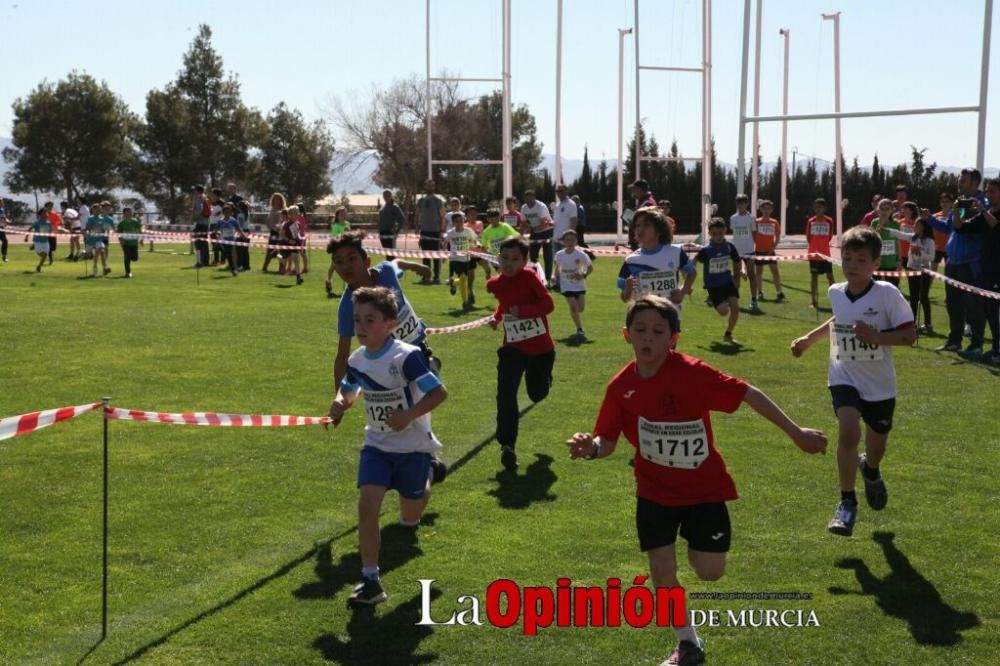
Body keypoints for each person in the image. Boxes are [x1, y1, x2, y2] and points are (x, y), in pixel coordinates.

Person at [567, 295, 826, 666]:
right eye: (640, 330)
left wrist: (796, 432)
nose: (648, 338)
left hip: (704, 490)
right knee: (661, 568)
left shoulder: (692, 372)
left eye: (658, 331)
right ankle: (687, 644)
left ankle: (695, 547)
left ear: (674, 338)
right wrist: (589, 447)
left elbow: (747, 393)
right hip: (653, 490)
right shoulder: (620, 386)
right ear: (626, 335)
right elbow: (607, 440)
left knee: (709, 571)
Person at [327, 286, 448, 607]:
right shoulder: (357, 359)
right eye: (357, 320)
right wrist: (339, 404)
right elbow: (348, 391)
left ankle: (428, 476)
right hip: (377, 445)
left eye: (370, 320)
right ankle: (370, 580)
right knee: (367, 506)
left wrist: (408, 415)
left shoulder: (406, 357)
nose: (362, 327)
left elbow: (439, 394)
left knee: (410, 515)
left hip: (412, 447)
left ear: (390, 324)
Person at [791, 226, 914, 537]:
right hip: (843, 374)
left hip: (879, 384)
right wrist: (809, 339)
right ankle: (847, 503)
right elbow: (838, 320)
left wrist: (876, 337)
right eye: (847, 258)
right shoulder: (836, 292)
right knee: (848, 432)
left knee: (876, 445)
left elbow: (910, 335)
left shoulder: (887, 293)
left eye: (861, 259)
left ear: (875, 263)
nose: (853, 265)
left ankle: (870, 470)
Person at [327, 231, 436, 390]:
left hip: (420, 355)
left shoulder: (385, 271)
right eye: (339, 262)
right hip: (390, 371)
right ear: (335, 269)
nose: (346, 266)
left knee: (428, 401)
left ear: (367, 262)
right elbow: (342, 356)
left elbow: (396, 264)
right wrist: (338, 399)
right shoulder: (347, 306)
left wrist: (415, 266)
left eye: (352, 258)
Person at [487, 237, 555, 471]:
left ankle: (544, 382)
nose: (509, 264)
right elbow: (505, 303)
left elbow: (548, 304)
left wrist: (524, 311)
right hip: (512, 347)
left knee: (537, 394)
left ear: (525, 261)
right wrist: (496, 319)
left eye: (515, 259)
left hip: (540, 348)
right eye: (504, 258)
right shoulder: (497, 283)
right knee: (505, 393)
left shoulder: (529, 278)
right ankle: (507, 445)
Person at [931, 168, 987, 355]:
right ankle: (954, 340)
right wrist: (929, 219)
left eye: (963, 180)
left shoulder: (981, 204)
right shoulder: (960, 203)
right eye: (960, 179)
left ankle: (976, 344)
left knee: (973, 305)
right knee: (952, 303)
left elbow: (975, 229)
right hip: (953, 262)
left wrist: (971, 213)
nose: (959, 183)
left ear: (974, 182)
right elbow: (949, 227)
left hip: (971, 262)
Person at [618, 207, 696, 323]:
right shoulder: (631, 260)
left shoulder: (674, 252)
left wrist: (682, 292)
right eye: (638, 225)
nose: (640, 229)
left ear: (659, 231)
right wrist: (628, 289)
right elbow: (624, 298)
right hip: (643, 319)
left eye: (646, 225)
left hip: (670, 315)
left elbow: (692, 273)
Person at [953, 178, 1000, 363]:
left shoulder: (988, 215)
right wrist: (957, 210)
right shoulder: (985, 214)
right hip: (987, 270)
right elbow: (960, 227)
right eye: (987, 191)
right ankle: (995, 349)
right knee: (990, 312)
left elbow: (997, 227)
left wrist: (983, 212)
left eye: (993, 191)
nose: (988, 195)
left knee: (997, 314)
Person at [884, 210, 935, 333]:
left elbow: (931, 257)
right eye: (915, 225)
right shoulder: (913, 237)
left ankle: (928, 324)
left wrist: (920, 252)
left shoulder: (929, 241)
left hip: (924, 272)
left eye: (917, 225)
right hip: (912, 270)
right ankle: (912, 323)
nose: (914, 226)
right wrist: (886, 230)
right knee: (913, 297)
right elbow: (900, 234)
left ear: (923, 227)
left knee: (923, 297)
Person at [695, 218, 743, 342]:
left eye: (720, 234)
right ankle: (713, 300)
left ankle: (728, 333)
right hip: (713, 285)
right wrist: (689, 273)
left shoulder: (729, 247)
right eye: (715, 234)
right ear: (710, 233)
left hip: (728, 281)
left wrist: (741, 272)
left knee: (735, 308)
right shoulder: (706, 250)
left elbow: (737, 261)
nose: (718, 237)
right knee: (724, 311)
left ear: (725, 231)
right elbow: (694, 260)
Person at [552, 229, 593, 341]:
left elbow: (590, 268)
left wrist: (583, 275)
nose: (570, 242)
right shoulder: (559, 255)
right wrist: (554, 276)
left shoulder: (581, 254)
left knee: (581, 309)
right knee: (574, 307)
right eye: (567, 240)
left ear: (576, 241)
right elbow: (557, 268)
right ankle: (579, 329)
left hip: (579, 285)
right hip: (566, 285)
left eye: (572, 240)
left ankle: (577, 320)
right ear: (563, 242)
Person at [728, 194, 760, 312]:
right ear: (736, 204)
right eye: (738, 203)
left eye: (743, 203)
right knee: (735, 277)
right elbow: (734, 233)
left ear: (747, 204)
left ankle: (754, 300)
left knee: (752, 275)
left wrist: (754, 247)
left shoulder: (751, 218)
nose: (741, 205)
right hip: (736, 251)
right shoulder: (733, 218)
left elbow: (754, 234)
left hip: (749, 251)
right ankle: (734, 300)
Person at [445, 210, 479, 310]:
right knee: (463, 278)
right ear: (453, 223)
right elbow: (445, 243)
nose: (460, 223)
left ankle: (453, 283)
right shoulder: (450, 233)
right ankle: (465, 301)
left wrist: (477, 245)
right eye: (457, 221)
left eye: (461, 221)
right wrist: (443, 256)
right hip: (455, 260)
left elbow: (474, 240)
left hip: (467, 259)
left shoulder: (468, 231)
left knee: (463, 280)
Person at [753, 199, 786, 301]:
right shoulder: (757, 221)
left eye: (768, 208)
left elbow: (777, 237)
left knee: (775, 272)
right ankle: (760, 292)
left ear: (771, 210)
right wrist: (757, 245)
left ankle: (779, 292)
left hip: (770, 251)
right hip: (759, 251)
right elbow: (753, 235)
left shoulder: (774, 222)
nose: (766, 210)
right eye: (764, 208)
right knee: (759, 272)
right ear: (761, 209)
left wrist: (772, 248)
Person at [805, 198, 835, 309]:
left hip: (826, 254)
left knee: (830, 277)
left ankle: (835, 299)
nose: (818, 209)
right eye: (816, 207)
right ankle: (813, 301)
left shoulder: (829, 221)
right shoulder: (810, 221)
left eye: (820, 207)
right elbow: (808, 237)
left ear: (825, 208)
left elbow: (830, 236)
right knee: (814, 277)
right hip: (814, 254)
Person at [520, 190, 553, 286]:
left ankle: (548, 280)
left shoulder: (541, 206)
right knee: (533, 257)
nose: (528, 200)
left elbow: (543, 224)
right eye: (526, 198)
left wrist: (531, 229)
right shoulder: (524, 208)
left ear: (534, 198)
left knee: (548, 257)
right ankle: (534, 278)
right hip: (534, 233)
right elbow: (523, 223)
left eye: (531, 198)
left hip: (547, 231)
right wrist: (520, 236)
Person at [415, 179, 446, 284]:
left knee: (436, 256)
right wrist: (416, 228)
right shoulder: (420, 200)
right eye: (427, 185)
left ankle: (436, 277)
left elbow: (442, 216)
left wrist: (442, 230)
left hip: (435, 232)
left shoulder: (438, 200)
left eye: (431, 185)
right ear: (425, 187)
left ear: (434, 187)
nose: (429, 187)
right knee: (425, 255)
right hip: (424, 232)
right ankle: (426, 276)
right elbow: (418, 214)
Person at [871, 198, 901, 288]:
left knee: (892, 287)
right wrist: (879, 228)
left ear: (892, 210)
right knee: (876, 287)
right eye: (882, 209)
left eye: (887, 209)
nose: (884, 211)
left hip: (891, 261)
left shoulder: (895, 224)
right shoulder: (874, 222)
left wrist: (899, 260)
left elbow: (897, 243)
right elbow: (871, 239)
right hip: (877, 260)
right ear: (878, 210)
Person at [325, 208, 353, 298]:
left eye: (345, 214)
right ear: (337, 216)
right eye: (342, 215)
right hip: (337, 250)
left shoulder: (348, 224)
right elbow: (335, 238)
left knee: (346, 268)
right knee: (333, 268)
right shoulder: (335, 226)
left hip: (347, 250)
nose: (344, 216)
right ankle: (328, 281)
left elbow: (350, 235)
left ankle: (346, 289)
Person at [628, 179, 658, 249]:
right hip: (641, 241)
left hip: (644, 243)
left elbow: (647, 224)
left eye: (634, 189)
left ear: (640, 189)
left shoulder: (648, 203)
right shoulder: (642, 201)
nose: (633, 192)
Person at [217, 203, 246, 276]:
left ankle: (233, 270)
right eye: (226, 212)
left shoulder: (234, 221)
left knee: (230, 254)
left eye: (229, 212)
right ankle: (229, 265)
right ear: (223, 213)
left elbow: (238, 229)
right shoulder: (220, 221)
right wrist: (218, 234)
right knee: (227, 253)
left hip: (231, 240)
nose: (228, 214)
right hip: (223, 240)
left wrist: (243, 235)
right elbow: (216, 230)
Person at [84, 204, 112, 277]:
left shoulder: (102, 219)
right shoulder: (90, 218)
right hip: (90, 240)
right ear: (93, 210)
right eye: (96, 209)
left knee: (102, 251)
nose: (98, 211)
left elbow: (105, 229)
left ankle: (105, 267)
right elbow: (88, 228)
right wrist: (90, 230)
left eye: (99, 209)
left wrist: (105, 232)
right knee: (92, 255)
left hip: (99, 239)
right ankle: (95, 267)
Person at [262, 192, 286, 273]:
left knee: (279, 251)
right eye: (275, 199)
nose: (276, 201)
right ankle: (264, 267)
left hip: (279, 233)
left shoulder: (283, 210)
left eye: (278, 199)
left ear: (281, 200)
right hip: (272, 232)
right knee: (269, 250)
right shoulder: (272, 209)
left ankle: (281, 268)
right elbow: (269, 221)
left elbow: (283, 221)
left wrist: (279, 227)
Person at [377, 189, 405, 260]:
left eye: (388, 195)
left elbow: (402, 219)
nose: (386, 197)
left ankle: (394, 270)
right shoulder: (383, 207)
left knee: (391, 255)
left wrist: (396, 231)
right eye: (385, 195)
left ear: (391, 196)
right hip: (382, 233)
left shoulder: (395, 207)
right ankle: (389, 269)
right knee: (387, 254)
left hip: (390, 234)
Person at [551, 185, 578, 257]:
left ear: (566, 191)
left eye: (561, 191)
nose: (559, 193)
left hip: (566, 241)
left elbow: (574, 221)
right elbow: (557, 221)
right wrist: (551, 223)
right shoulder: (558, 205)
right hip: (556, 239)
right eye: (557, 191)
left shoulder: (571, 204)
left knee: (567, 263)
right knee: (556, 263)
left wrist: (569, 239)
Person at [117, 206, 142, 278]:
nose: (129, 213)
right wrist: (121, 243)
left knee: (135, 258)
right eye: (127, 212)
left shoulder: (135, 222)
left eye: (130, 212)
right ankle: (128, 272)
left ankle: (129, 257)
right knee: (127, 258)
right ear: (124, 213)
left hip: (134, 244)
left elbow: (139, 231)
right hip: (126, 244)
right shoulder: (121, 224)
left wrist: (141, 240)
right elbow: (120, 235)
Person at [931, 192, 954, 271]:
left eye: (947, 201)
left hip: (949, 248)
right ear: (940, 203)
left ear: (951, 203)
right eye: (943, 201)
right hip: (936, 248)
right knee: (932, 273)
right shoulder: (934, 216)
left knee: (949, 273)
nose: (944, 203)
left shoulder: (955, 216)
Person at [190, 186, 211, 268]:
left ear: (197, 191)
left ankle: (200, 261)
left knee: (198, 243)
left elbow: (199, 210)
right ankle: (205, 261)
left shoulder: (199, 198)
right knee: (204, 243)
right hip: (206, 223)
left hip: (200, 223)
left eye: (194, 190)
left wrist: (194, 218)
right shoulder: (205, 198)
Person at [25, 208, 52, 273]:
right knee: (44, 255)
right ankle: (34, 245)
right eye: (44, 213)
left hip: (45, 242)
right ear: (40, 215)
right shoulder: (37, 223)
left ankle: (39, 267)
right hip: (38, 242)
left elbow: (49, 231)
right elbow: (30, 228)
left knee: (45, 255)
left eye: (46, 213)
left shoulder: (49, 223)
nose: (46, 214)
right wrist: (26, 237)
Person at [43, 201, 62, 265]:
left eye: (51, 206)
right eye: (49, 206)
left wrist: (55, 224)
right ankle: (50, 260)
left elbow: (60, 222)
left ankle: (49, 259)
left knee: (52, 248)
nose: (51, 207)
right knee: (47, 247)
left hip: (53, 232)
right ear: (46, 207)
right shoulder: (43, 214)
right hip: (45, 231)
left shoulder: (55, 214)